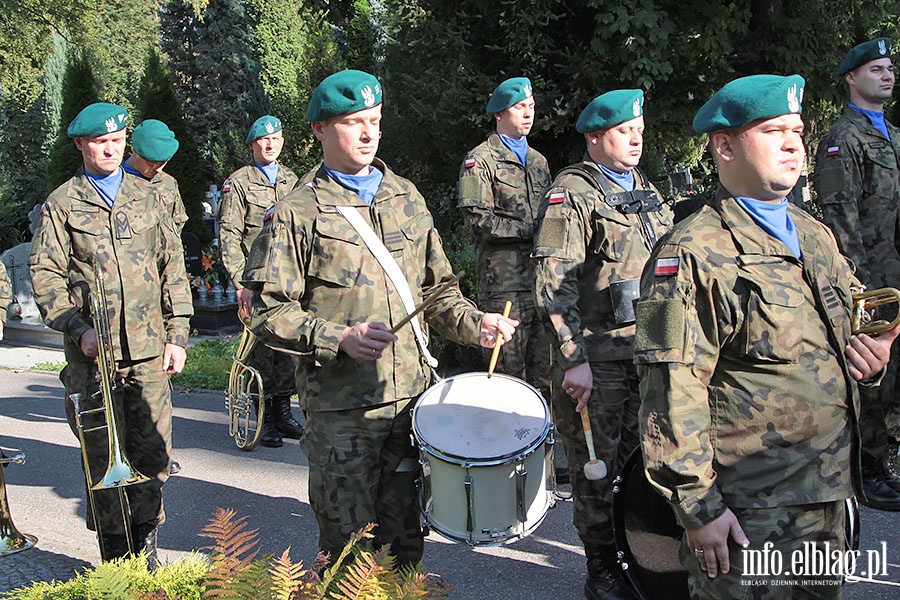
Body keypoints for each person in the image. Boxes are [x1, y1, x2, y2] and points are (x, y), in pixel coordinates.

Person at [635, 74, 900, 598]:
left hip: (824, 497)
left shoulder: (814, 235)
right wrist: (697, 507)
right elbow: (667, 388)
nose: (792, 144)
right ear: (725, 145)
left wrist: (874, 357)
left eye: (797, 131)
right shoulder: (685, 254)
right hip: (746, 513)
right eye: (773, 130)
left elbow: (848, 332)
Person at [242, 69, 519, 568]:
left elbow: (437, 292)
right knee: (347, 549)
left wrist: (475, 324)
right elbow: (265, 311)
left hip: (410, 403)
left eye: (374, 121)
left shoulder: (405, 197)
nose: (368, 133)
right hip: (343, 413)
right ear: (320, 130)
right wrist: (336, 337)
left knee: (405, 542)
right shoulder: (297, 212)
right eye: (353, 122)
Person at [29, 102, 193, 565]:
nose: (110, 149)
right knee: (102, 462)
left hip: (148, 354)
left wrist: (178, 333)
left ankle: (148, 549)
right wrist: (76, 328)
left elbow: (173, 267)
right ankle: (115, 563)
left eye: (118, 140)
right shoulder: (63, 204)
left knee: (153, 458)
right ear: (81, 144)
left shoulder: (149, 197)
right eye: (100, 142)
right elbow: (45, 275)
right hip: (92, 358)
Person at [532, 89, 672, 600]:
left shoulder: (645, 188)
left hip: (648, 354)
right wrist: (573, 360)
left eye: (639, 129)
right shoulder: (571, 193)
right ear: (595, 136)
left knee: (645, 466)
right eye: (624, 131)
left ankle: (640, 560)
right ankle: (601, 569)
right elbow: (553, 283)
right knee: (597, 470)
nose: (636, 138)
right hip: (597, 362)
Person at [813, 37, 900, 511]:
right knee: (872, 379)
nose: (887, 75)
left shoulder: (895, 136)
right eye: (876, 70)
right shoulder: (841, 140)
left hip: (898, 277)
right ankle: (866, 472)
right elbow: (840, 219)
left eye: (890, 68)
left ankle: (884, 461)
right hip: (872, 284)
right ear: (852, 78)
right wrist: (861, 289)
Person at [458, 76, 552, 398]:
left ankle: (544, 449)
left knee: (545, 379)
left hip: (539, 282)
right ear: (499, 113)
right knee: (506, 380)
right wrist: (530, 229)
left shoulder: (539, 162)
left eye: (531, 107)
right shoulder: (477, 161)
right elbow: (476, 220)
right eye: (519, 107)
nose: (528, 113)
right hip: (503, 287)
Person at [217, 115, 302, 448]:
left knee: (289, 352)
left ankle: (282, 414)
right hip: (256, 283)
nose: (271, 145)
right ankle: (263, 420)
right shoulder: (238, 183)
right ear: (253, 144)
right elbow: (228, 235)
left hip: (288, 281)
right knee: (261, 354)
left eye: (277, 139)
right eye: (264, 140)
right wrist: (242, 284)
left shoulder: (293, 180)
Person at [122, 119, 188, 234]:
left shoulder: (168, 183)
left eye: (163, 163)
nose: (158, 169)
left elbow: (178, 221)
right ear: (135, 151)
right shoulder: (114, 181)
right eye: (151, 163)